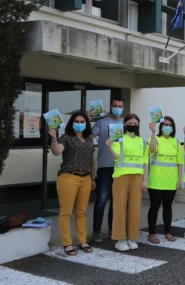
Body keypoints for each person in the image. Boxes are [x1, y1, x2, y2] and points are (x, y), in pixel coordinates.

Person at [49, 111, 95, 256]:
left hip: (86, 178)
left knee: (82, 212)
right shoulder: (66, 137)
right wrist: (53, 139)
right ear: (71, 123)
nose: (80, 124)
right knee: (66, 212)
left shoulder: (89, 139)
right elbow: (56, 152)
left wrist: (93, 178)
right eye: (77, 121)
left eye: (82, 122)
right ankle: (67, 243)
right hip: (69, 177)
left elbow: (91, 160)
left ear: (86, 124)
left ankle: (82, 241)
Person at [106, 113, 147, 251]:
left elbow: (144, 161)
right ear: (124, 124)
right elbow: (116, 157)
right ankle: (120, 239)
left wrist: (144, 180)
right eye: (131, 123)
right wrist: (109, 148)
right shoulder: (118, 139)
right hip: (121, 177)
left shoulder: (142, 141)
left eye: (136, 124)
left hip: (137, 177)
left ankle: (132, 237)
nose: (133, 126)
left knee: (134, 209)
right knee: (120, 208)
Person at [90, 98, 124, 243]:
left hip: (121, 166)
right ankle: (97, 231)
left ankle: (112, 228)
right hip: (104, 165)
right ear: (111, 107)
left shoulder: (125, 123)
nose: (118, 108)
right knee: (102, 199)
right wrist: (88, 118)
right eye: (115, 106)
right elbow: (89, 137)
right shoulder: (102, 122)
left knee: (116, 200)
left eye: (120, 106)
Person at [146, 116, 183, 243]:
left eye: (169, 125)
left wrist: (179, 179)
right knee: (154, 207)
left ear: (173, 127)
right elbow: (151, 150)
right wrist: (152, 132)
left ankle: (168, 232)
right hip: (156, 181)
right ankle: (152, 233)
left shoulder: (176, 142)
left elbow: (179, 163)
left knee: (168, 208)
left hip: (170, 181)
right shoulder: (155, 139)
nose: (167, 127)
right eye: (165, 124)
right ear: (161, 127)